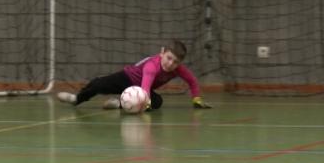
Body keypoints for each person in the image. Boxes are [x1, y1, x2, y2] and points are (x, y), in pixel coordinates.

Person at [56, 40, 213, 111]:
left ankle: (119, 104)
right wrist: (144, 103)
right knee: (98, 84)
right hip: (128, 78)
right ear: (162, 52)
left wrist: (196, 99)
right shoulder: (152, 66)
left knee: (158, 102)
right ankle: (77, 99)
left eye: (176, 62)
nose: (171, 64)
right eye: (169, 58)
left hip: (140, 88)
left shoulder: (178, 69)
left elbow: (192, 81)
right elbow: (145, 87)